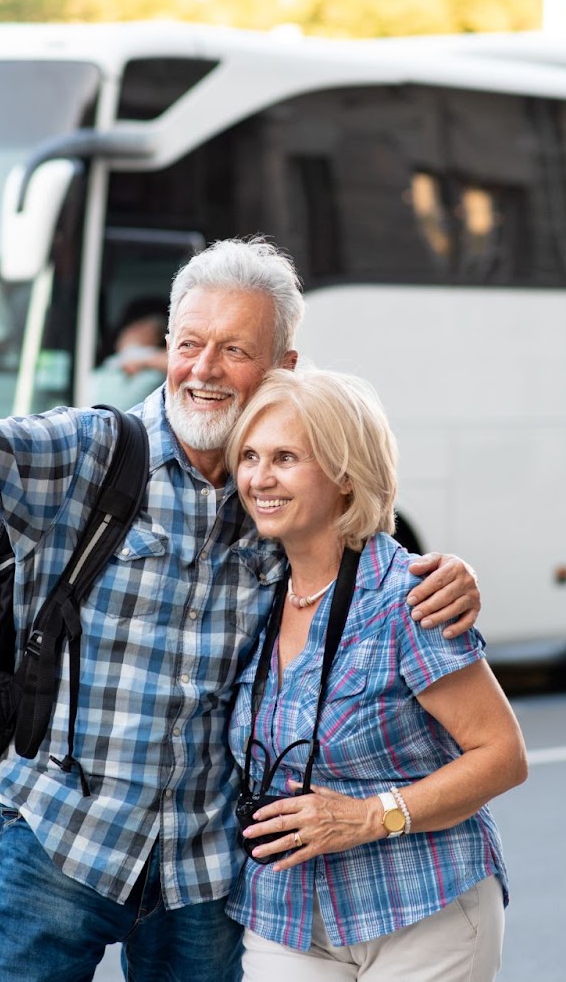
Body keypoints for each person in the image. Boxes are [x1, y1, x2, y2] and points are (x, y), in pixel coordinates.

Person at [0, 237, 483, 982]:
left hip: (203, 869)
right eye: (189, 344)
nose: (203, 370)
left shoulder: (277, 490)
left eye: (234, 350)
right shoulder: (91, 453)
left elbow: (365, 559)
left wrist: (454, 575)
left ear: (283, 368)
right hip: (58, 839)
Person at [226, 369, 527, 980]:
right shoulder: (250, 589)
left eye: (285, 457)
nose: (259, 478)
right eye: (250, 457)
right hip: (285, 911)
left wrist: (369, 817)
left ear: (344, 474)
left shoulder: (408, 597)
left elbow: (503, 755)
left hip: (421, 905)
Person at [90, 307, 169, 409]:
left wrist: (140, 358)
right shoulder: (107, 366)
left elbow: (177, 361)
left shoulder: (154, 374)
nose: (134, 332)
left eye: (148, 330)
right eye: (135, 327)